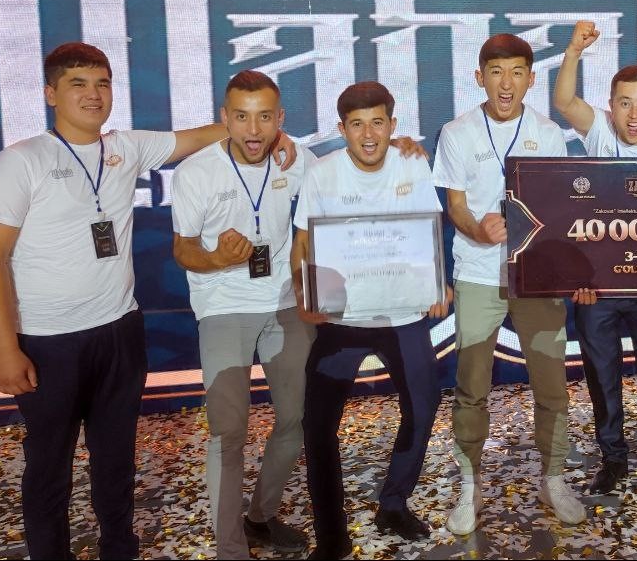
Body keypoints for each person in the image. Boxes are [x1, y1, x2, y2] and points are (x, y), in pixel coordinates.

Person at [0, 42, 297, 559]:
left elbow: (210, 133)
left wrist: (276, 135)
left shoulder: (125, 147)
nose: (93, 95)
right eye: (78, 84)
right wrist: (6, 349)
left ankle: (119, 549)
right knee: (50, 464)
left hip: (120, 329)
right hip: (47, 340)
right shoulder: (21, 162)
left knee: (115, 460)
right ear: (50, 93)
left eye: (102, 84)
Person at [291, 81, 451, 559]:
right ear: (341, 129)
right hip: (342, 318)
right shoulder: (322, 174)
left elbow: (428, 228)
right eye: (357, 124)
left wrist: (438, 281)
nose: (368, 134)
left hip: (402, 312)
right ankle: (331, 534)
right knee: (318, 425)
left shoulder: (412, 162)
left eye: (377, 123)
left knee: (424, 406)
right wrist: (304, 291)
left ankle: (394, 503)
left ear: (392, 125)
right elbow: (303, 243)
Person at [432, 34, 585, 535]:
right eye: (496, 72)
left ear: (530, 79)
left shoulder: (548, 133)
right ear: (480, 77)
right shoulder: (456, 132)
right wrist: (479, 230)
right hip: (478, 274)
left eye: (517, 72)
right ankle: (470, 484)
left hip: (537, 278)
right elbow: (455, 205)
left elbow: (560, 208)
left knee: (552, 385)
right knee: (471, 386)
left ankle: (554, 477)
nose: (506, 82)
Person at [169, 70, 316, 558]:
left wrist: (400, 148)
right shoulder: (196, 173)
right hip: (223, 307)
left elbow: (347, 178)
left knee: (296, 418)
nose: (254, 130)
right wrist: (217, 259)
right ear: (225, 118)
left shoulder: (296, 159)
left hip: (284, 304)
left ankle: (260, 517)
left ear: (280, 118)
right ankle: (230, 550)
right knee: (228, 431)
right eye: (242, 117)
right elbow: (183, 248)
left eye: (264, 117)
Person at [550, 20, 637, 529]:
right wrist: (573, 52)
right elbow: (564, 101)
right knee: (602, 380)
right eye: (625, 103)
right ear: (610, 107)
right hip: (598, 290)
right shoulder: (599, 132)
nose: (634, 114)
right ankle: (613, 458)